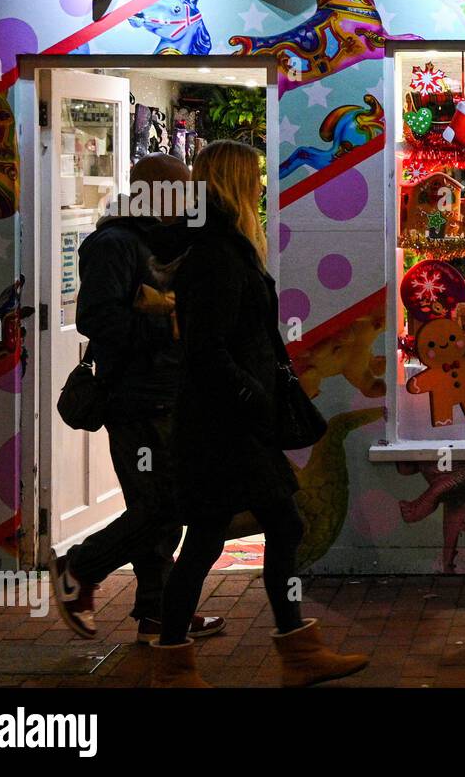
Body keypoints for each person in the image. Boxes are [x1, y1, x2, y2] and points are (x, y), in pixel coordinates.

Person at [152, 141, 369, 688]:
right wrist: (252, 397)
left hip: (228, 422)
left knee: (239, 531)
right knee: (225, 533)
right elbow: (209, 349)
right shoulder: (217, 253)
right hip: (226, 427)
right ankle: (194, 659)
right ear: (234, 182)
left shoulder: (222, 247)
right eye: (255, 176)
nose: (262, 186)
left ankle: (264, 652)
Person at [51, 153, 225, 645]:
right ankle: (79, 570)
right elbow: (96, 318)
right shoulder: (114, 243)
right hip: (136, 398)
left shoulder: (160, 241)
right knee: (162, 506)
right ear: (154, 192)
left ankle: (158, 614)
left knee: (157, 508)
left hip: (165, 394)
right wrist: (168, 324)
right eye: (181, 188)